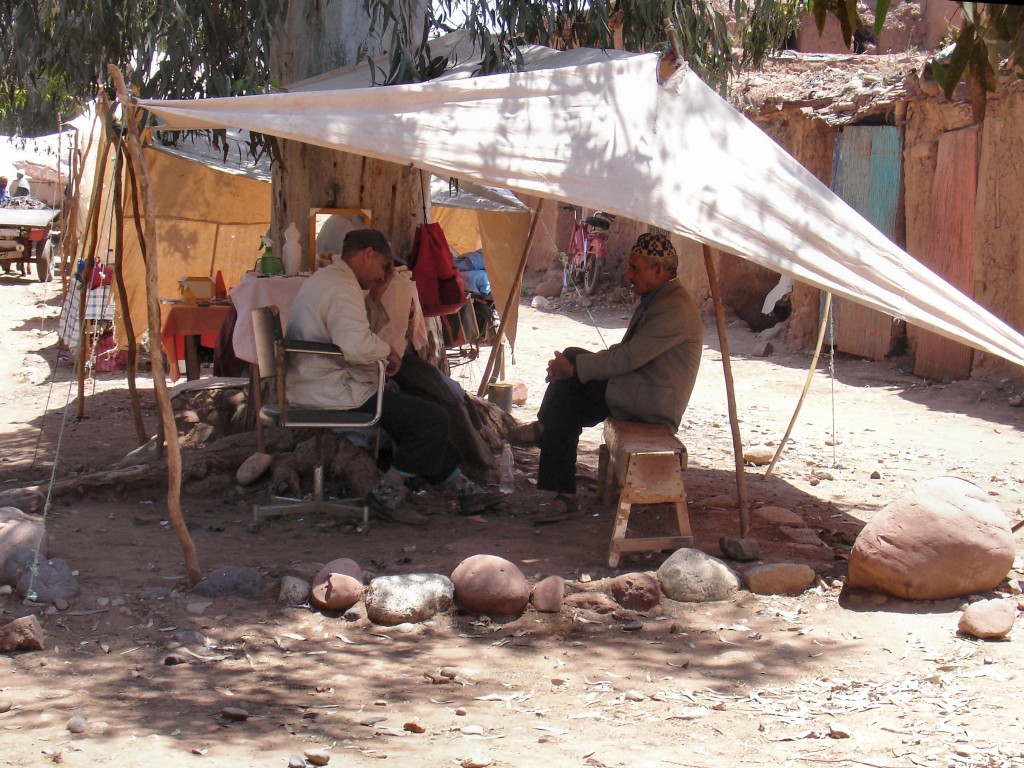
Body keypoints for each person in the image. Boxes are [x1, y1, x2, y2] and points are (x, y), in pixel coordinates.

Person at [285, 228, 503, 525]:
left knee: (418, 419)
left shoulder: (332, 280)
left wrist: (376, 296)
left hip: (321, 382)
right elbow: (357, 345)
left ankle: (464, 489)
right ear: (367, 255)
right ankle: (385, 493)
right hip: (326, 388)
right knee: (431, 419)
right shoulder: (341, 287)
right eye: (383, 266)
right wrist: (389, 352)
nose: (382, 273)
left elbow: (353, 331)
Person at [522, 233, 703, 523]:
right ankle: (548, 431)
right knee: (572, 362)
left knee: (570, 388)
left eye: (634, 268)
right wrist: (575, 366)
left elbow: (628, 358)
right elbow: (628, 352)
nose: (627, 274)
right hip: (639, 387)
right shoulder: (659, 298)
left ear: (658, 270)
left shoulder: (674, 308)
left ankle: (554, 458)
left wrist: (576, 369)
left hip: (651, 402)